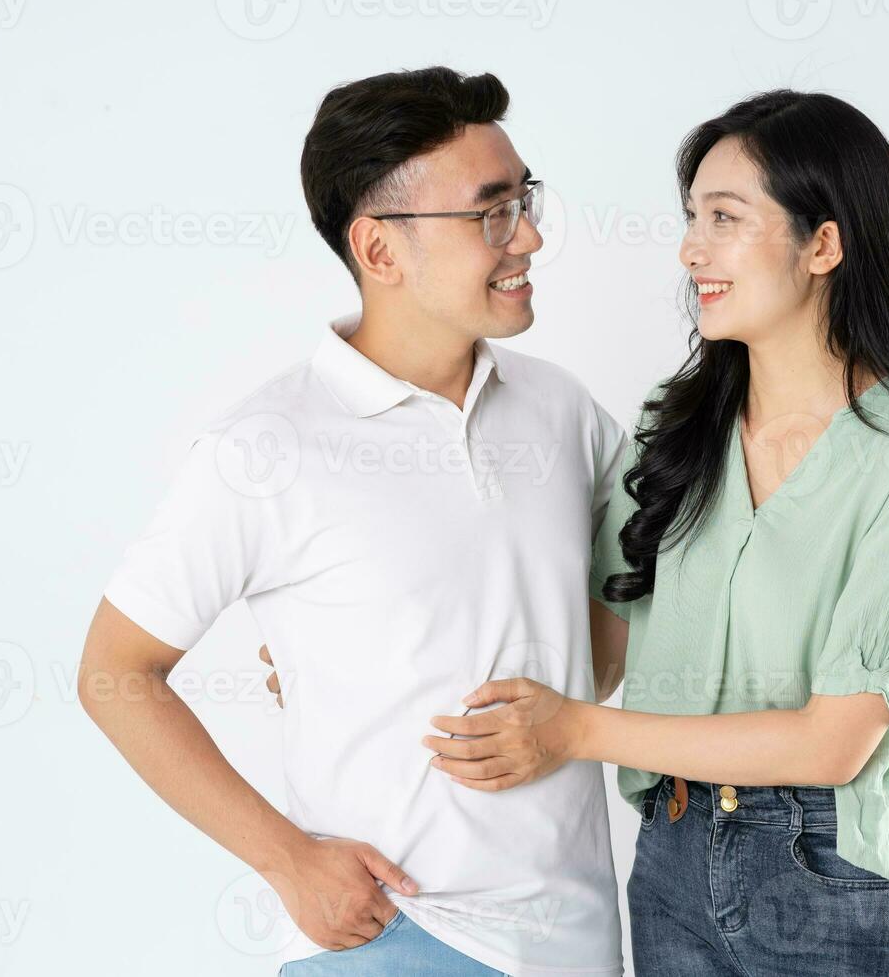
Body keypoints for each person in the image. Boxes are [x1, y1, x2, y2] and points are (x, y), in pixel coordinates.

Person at [413, 90, 889, 976]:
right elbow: (589, 644)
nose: (690, 249)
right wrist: (364, 646)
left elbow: (830, 743)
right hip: (669, 859)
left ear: (824, 244)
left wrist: (581, 732)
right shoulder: (676, 425)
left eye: (725, 218)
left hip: (830, 874)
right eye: (692, 217)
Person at [80, 66, 643, 977]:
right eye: (491, 211)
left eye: (526, 199)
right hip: (393, 937)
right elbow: (114, 671)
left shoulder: (561, 411)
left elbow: (640, 596)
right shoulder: (266, 448)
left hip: (580, 942)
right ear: (380, 251)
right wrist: (286, 859)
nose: (530, 237)